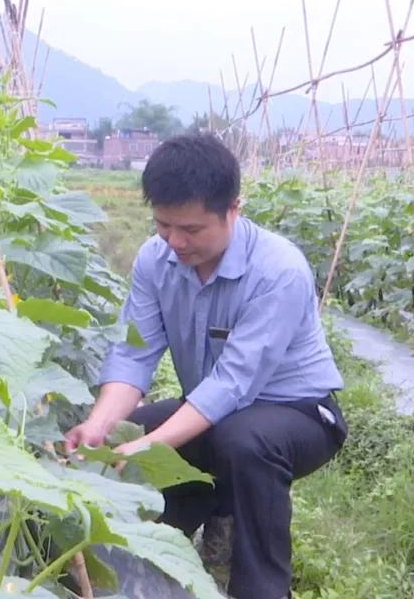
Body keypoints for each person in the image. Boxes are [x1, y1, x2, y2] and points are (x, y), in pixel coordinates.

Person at [64, 134, 348, 599]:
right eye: (163, 225)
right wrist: (100, 428)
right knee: (124, 436)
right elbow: (134, 354)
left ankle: (261, 588)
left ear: (233, 209)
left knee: (240, 440)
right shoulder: (156, 260)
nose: (175, 241)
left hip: (300, 416)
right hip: (217, 413)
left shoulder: (278, 270)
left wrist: (151, 447)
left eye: (191, 230)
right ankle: (143, 567)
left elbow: (234, 384)